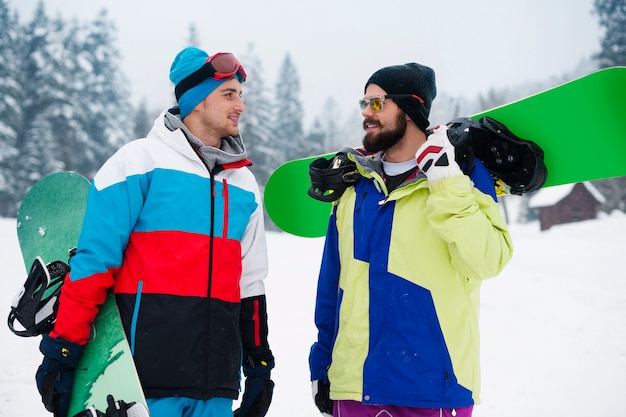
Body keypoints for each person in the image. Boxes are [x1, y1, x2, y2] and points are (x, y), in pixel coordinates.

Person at [35, 47, 275, 417]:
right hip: (140, 385)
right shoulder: (137, 164)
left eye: (241, 95)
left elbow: (251, 285)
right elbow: (95, 263)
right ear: (196, 101)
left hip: (216, 389)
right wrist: (63, 349)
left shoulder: (243, 184)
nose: (240, 105)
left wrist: (259, 366)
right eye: (229, 94)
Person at [309, 63, 514, 417]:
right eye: (363, 103)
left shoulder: (461, 175)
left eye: (376, 104)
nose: (365, 114)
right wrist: (322, 364)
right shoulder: (353, 189)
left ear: (410, 107)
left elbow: (487, 260)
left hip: (432, 388)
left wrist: (447, 184)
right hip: (355, 389)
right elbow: (332, 288)